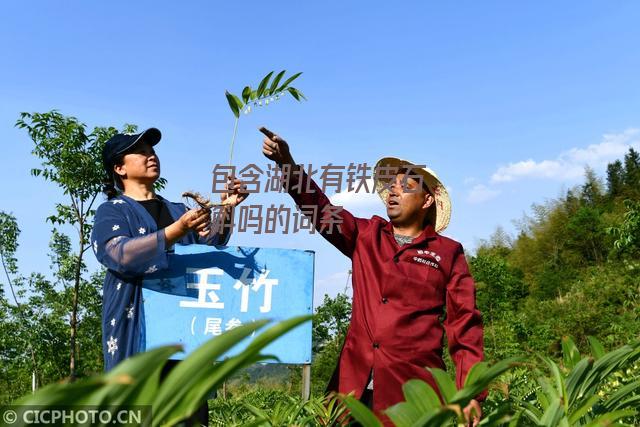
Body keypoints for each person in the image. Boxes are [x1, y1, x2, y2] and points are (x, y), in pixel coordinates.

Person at [260, 127, 485, 426]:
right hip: (352, 390)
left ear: (427, 201)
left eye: (406, 186)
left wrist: (470, 392)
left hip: (414, 395)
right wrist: (287, 165)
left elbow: (464, 325)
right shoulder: (365, 235)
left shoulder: (447, 252)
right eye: (392, 185)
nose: (393, 190)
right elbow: (321, 210)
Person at [91, 128, 247, 424]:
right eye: (140, 151)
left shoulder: (178, 210)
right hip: (137, 332)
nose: (151, 155)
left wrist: (227, 209)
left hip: (184, 336)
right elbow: (118, 254)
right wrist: (177, 231)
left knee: (191, 414)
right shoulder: (112, 212)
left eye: (152, 150)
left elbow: (212, 244)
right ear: (119, 168)